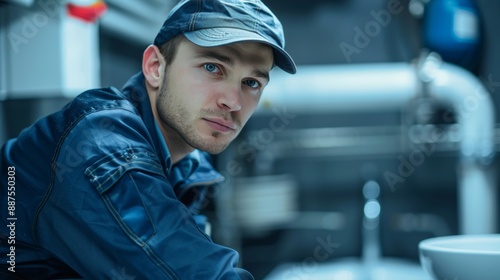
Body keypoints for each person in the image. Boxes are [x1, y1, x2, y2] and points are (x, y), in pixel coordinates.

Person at [0, 0, 296, 279]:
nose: (233, 101)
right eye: (212, 67)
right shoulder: (103, 148)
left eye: (251, 83)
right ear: (155, 67)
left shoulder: (188, 165)